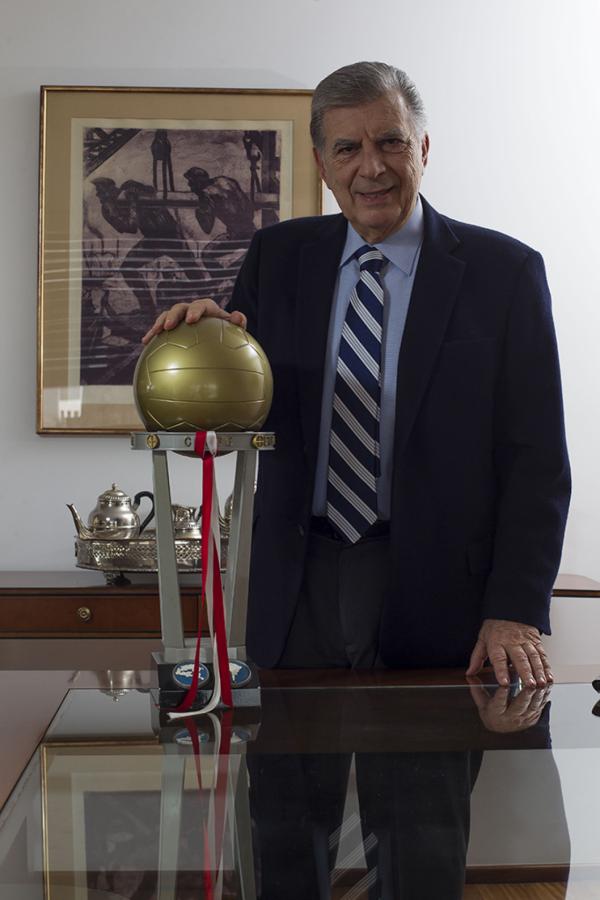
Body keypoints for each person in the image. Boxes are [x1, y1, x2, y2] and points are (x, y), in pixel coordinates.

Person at [142, 61, 570, 688]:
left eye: (389, 141)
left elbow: (538, 461)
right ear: (323, 165)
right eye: (348, 148)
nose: (371, 167)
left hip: (439, 589)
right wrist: (203, 353)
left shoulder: (503, 273)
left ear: (421, 148)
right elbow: (238, 417)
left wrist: (515, 610)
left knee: (423, 785)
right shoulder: (278, 258)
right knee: (284, 782)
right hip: (293, 584)